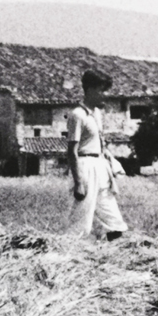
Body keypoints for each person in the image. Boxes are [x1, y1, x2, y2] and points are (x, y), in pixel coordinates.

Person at [66, 69, 128, 241]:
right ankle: (69, 254)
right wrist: (79, 182)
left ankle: (113, 256)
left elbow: (100, 142)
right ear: (91, 90)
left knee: (113, 217)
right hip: (85, 167)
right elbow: (72, 150)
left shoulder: (97, 114)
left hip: (100, 166)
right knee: (81, 218)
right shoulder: (77, 115)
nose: (105, 95)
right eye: (102, 90)